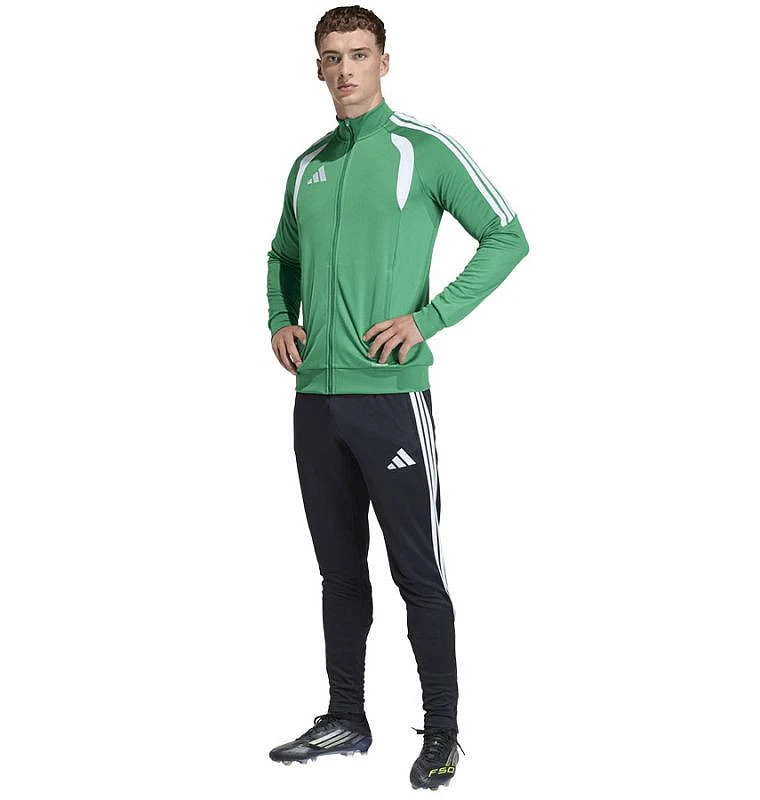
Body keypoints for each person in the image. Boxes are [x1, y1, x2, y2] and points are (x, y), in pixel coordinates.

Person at [265, 5, 529, 790]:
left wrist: (428, 319)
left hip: (390, 399)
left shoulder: (423, 149)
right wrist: (281, 320)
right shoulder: (307, 165)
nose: (345, 69)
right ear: (317, 68)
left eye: (359, 54)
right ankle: (346, 716)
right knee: (338, 571)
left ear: (384, 61)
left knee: (418, 572)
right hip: (316, 402)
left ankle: (442, 732)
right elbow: (280, 255)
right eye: (331, 57)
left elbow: (508, 235)